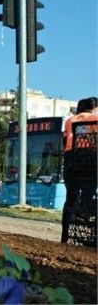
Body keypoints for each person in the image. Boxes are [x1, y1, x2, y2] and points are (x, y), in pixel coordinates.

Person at [61, 97, 97, 242]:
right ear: (93, 108)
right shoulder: (95, 118)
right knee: (89, 191)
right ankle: (86, 210)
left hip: (71, 159)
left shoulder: (69, 120)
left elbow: (65, 141)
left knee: (70, 197)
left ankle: (65, 235)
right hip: (89, 160)